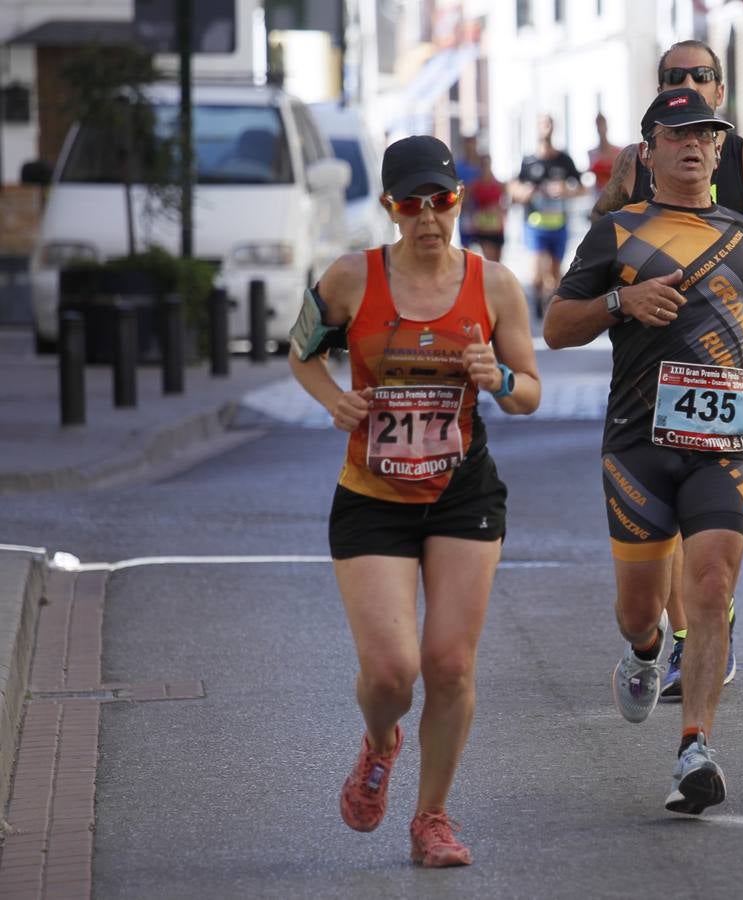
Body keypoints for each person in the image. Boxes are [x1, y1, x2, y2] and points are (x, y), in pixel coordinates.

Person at [288, 134, 541, 864]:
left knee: (450, 666)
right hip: (371, 495)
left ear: (458, 200)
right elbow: (300, 352)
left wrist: (497, 379)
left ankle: (431, 817)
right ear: (391, 208)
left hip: (463, 493)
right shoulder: (348, 278)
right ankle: (378, 741)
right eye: (411, 204)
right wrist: (334, 400)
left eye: (442, 201)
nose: (429, 218)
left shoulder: (493, 286)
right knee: (393, 672)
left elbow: (530, 393)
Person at [543, 88, 743, 814]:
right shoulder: (617, 231)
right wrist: (621, 303)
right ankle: (645, 650)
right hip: (637, 445)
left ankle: (694, 747)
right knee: (639, 610)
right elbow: (556, 328)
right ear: (648, 151)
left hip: (722, 441)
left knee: (711, 585)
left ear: (719, 149)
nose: (693, 143)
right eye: (676, 133)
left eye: (706, 133)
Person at [593, 38, 743, 703]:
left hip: (724, 361)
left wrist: (736, 248)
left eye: (701, 75)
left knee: (712, 520)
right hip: (647, 366)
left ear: (721, 91)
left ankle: (700, 632)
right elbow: (600, 230)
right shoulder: (636, 165)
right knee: (656, 522)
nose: (689, 81)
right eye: (674, 77)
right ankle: (670, 634)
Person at [510, 114, 587, 318]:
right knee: (536, 274)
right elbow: (513, 188)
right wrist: (524, 193)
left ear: (554, 128)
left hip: (558, 224)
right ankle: (537, 302)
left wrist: (565, 190)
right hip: (535, 225)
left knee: (554, 275)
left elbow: (582, 188)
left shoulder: (564, 159)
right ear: (536, 128)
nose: (546, 129)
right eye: (542, 124)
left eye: (549, 124)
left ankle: (552, 307)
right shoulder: (529, 161)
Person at [461, 149, 507, 262]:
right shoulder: (474, 185)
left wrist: (500, 211)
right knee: (490, 261)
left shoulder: (499, 184)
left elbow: (505, 203)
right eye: (483, 164)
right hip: (483, 228)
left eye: (487, 164)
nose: (486, 167)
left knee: (498, 262)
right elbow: (465, 203)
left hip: (497, 228)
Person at [587, 111, 622, 199]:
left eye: (602, 124)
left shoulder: (618, 151)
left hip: (616, 196)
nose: (601, 128)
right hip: (598, 197)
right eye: (598, 125)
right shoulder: (591, 153)